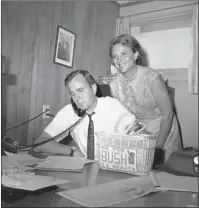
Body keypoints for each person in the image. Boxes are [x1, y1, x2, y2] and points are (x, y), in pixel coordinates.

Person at [30, 69, 138, 158]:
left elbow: (138, 131)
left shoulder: (111, 104)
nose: (77, 98)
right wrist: (71, 151)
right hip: (88, 169)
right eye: (73, 93)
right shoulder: (69, 111)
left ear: (93, 89)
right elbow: (39, 143)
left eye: (81, 90)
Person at [109, 34, 182, 163]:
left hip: (164, 129)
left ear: (136, 54)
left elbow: (168, 114)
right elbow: (124, 118)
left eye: (124, 54)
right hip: (141, 132)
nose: (119, 59)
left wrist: (158, 148)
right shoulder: (114, 85)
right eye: (115, 56)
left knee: (167, 174)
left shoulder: (151, 77)